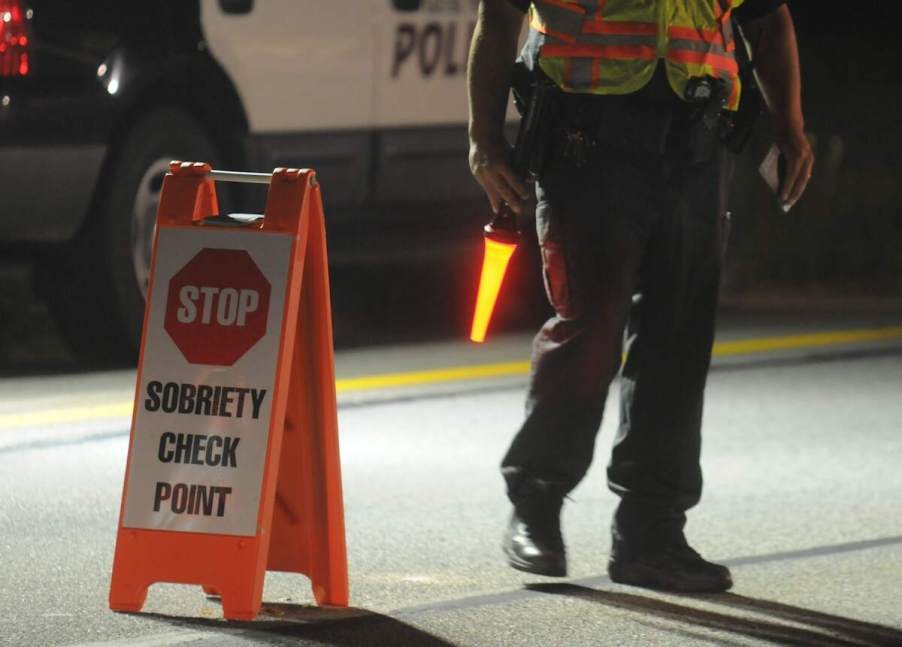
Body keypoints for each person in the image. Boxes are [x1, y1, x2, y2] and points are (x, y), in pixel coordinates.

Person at [467, 0, 814, 592]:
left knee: (677, 342)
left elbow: (768, 18)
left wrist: (790, 126)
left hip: (699, 141)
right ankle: (537, 501)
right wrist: (483, 138)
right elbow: (499, 16)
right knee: (589, 333)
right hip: (585, 139)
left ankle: (652, 535)